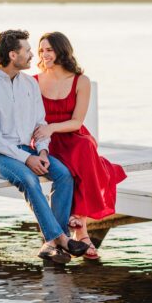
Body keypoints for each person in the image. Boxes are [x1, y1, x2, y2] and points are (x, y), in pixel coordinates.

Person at [0, 29, 91, 264]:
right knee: (29, 179)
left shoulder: (29, 84)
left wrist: (43, 151)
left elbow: (41, 124)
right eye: (27, 51)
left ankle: (50, 245)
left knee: (64, 175)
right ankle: (62, 239)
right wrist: (27, 159)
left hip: (28, 150)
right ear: (12, 55)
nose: (32, 55)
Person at [33, 31, 127, 260]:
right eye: (41, 50)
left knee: (84, 149)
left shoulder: (80, 81)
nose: (45, 55)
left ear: (62, 51)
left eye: (50, 50)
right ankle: (81, 231)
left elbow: (77, 121)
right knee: (78, 166)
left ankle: (80, 220)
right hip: (46, 141)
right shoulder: (33, 81)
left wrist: (52, 127)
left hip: (71, 135)